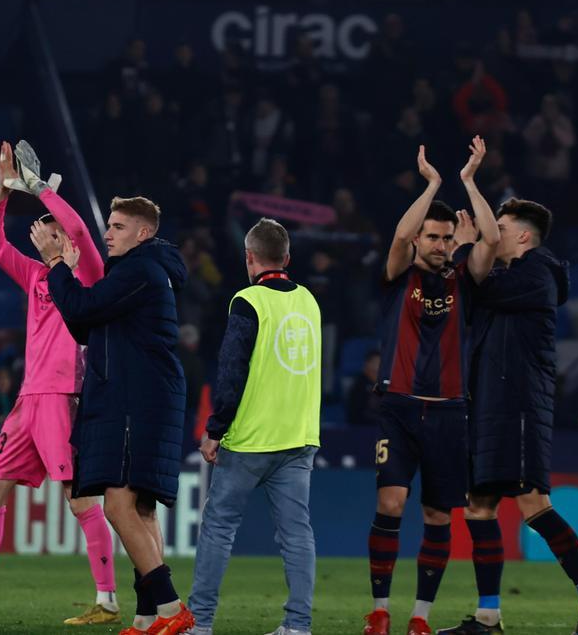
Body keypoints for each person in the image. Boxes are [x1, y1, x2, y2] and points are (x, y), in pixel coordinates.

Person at [0, 140, 119, 626]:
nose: (47, 233)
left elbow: (80, 226)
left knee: (80, 500)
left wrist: (40, 190)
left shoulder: (88, 273)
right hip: (27, 401)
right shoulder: (39, 276)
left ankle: (108, 600)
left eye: (55, 230)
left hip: (63, 398)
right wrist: (1, 192)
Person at [438, 199, 578, 635]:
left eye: (498, 226)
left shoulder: (539, 272)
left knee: (534, 504)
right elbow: (473, 291)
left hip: (517, 407)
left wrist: (464, 249)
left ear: (522, 235)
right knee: (478, 508)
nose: (490, 232)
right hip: (488, 407)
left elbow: (484, 289)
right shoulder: (510, 275)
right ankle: (487, 617)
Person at [32, 195, 194, 635]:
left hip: (134, 399)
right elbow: (86, 325)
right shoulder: (140, 272)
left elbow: (82, 309)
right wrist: (66, 274)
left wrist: (56, 265)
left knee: (119, 507)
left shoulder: (140, 269)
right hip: (145, 396)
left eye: (118, 226)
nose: (107, 233)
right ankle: (147, 618)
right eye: (108, 225)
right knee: (141, 510)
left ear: (144, 233)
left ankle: (170, 608)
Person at [363, 138, 499, 635]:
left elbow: (491, 240)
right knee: (390, 504)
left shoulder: (465, 277)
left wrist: (468, 180)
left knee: (439, 515)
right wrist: (433, 183)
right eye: (433, 237)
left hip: (448, 413)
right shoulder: (398, 274)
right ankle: (380, 610)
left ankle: (420, 618)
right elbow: (400, 237)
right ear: (420, 239)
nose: (441, 245)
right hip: (397, 408)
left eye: (446, 238)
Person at [189, 218, 321, 635]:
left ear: (249, 257)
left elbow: (231, 371)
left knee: (218, 529)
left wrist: (215, 428)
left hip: (250, 439)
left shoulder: (248, 301)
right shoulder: (310, 301)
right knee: (297, 534)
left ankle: (201, 623)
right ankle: (297, 626)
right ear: (287, 257)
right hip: (299, 437)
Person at [346, 351, 383, 426]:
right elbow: (355, 415)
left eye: (380, 363)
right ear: (367, 364)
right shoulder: (358, 386)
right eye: (375, 363)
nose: (377, 367)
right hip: (361, 430)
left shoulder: (386, 385)